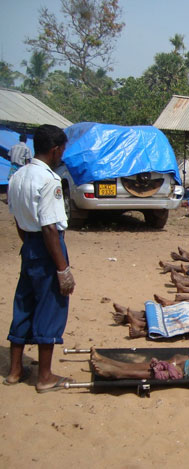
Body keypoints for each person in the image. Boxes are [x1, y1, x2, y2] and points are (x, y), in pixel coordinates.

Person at [5, 125, 76, 392]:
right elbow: (49, 227)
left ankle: (15, 370)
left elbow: (18, 221)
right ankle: (44, 376)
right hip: (48, 248)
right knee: (51, 306)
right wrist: (62, 268)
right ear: (55, 150)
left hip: (29, 247)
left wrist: (30, 248)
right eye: (62, 150)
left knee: (23, 304)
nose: (62, 156)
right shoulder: (49, 180)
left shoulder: (18, 176)